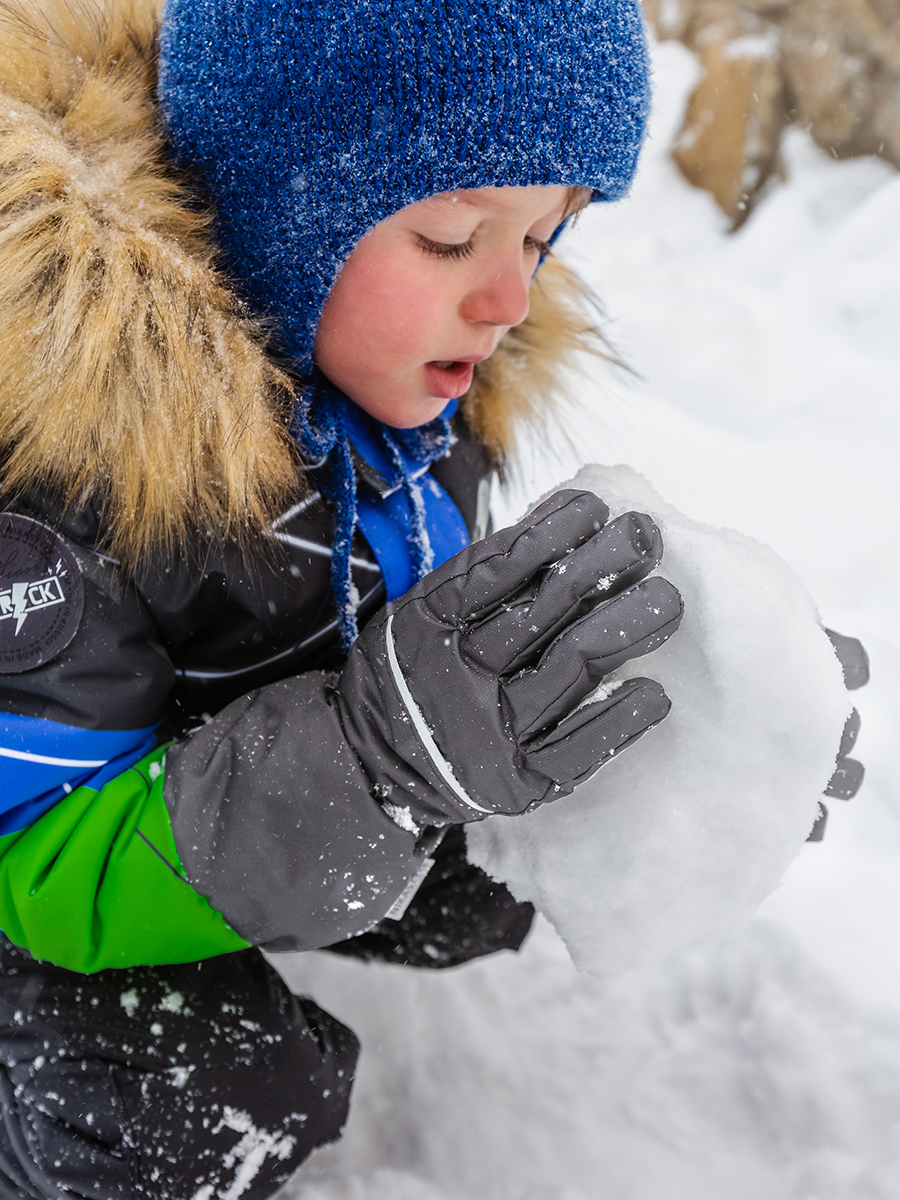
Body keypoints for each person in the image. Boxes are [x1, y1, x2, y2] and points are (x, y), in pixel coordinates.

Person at [0, 0, 861, 1196]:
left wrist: (654, 735)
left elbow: (397, 650)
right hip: (36, 852)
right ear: (275, 202)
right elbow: (38, 866)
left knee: (472, 877)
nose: (508, 299)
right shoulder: (60, 471)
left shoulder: (399, 380)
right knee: (178, 1096)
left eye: (544, 240)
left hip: (205, 779)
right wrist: (376, 759)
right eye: (455, 238)